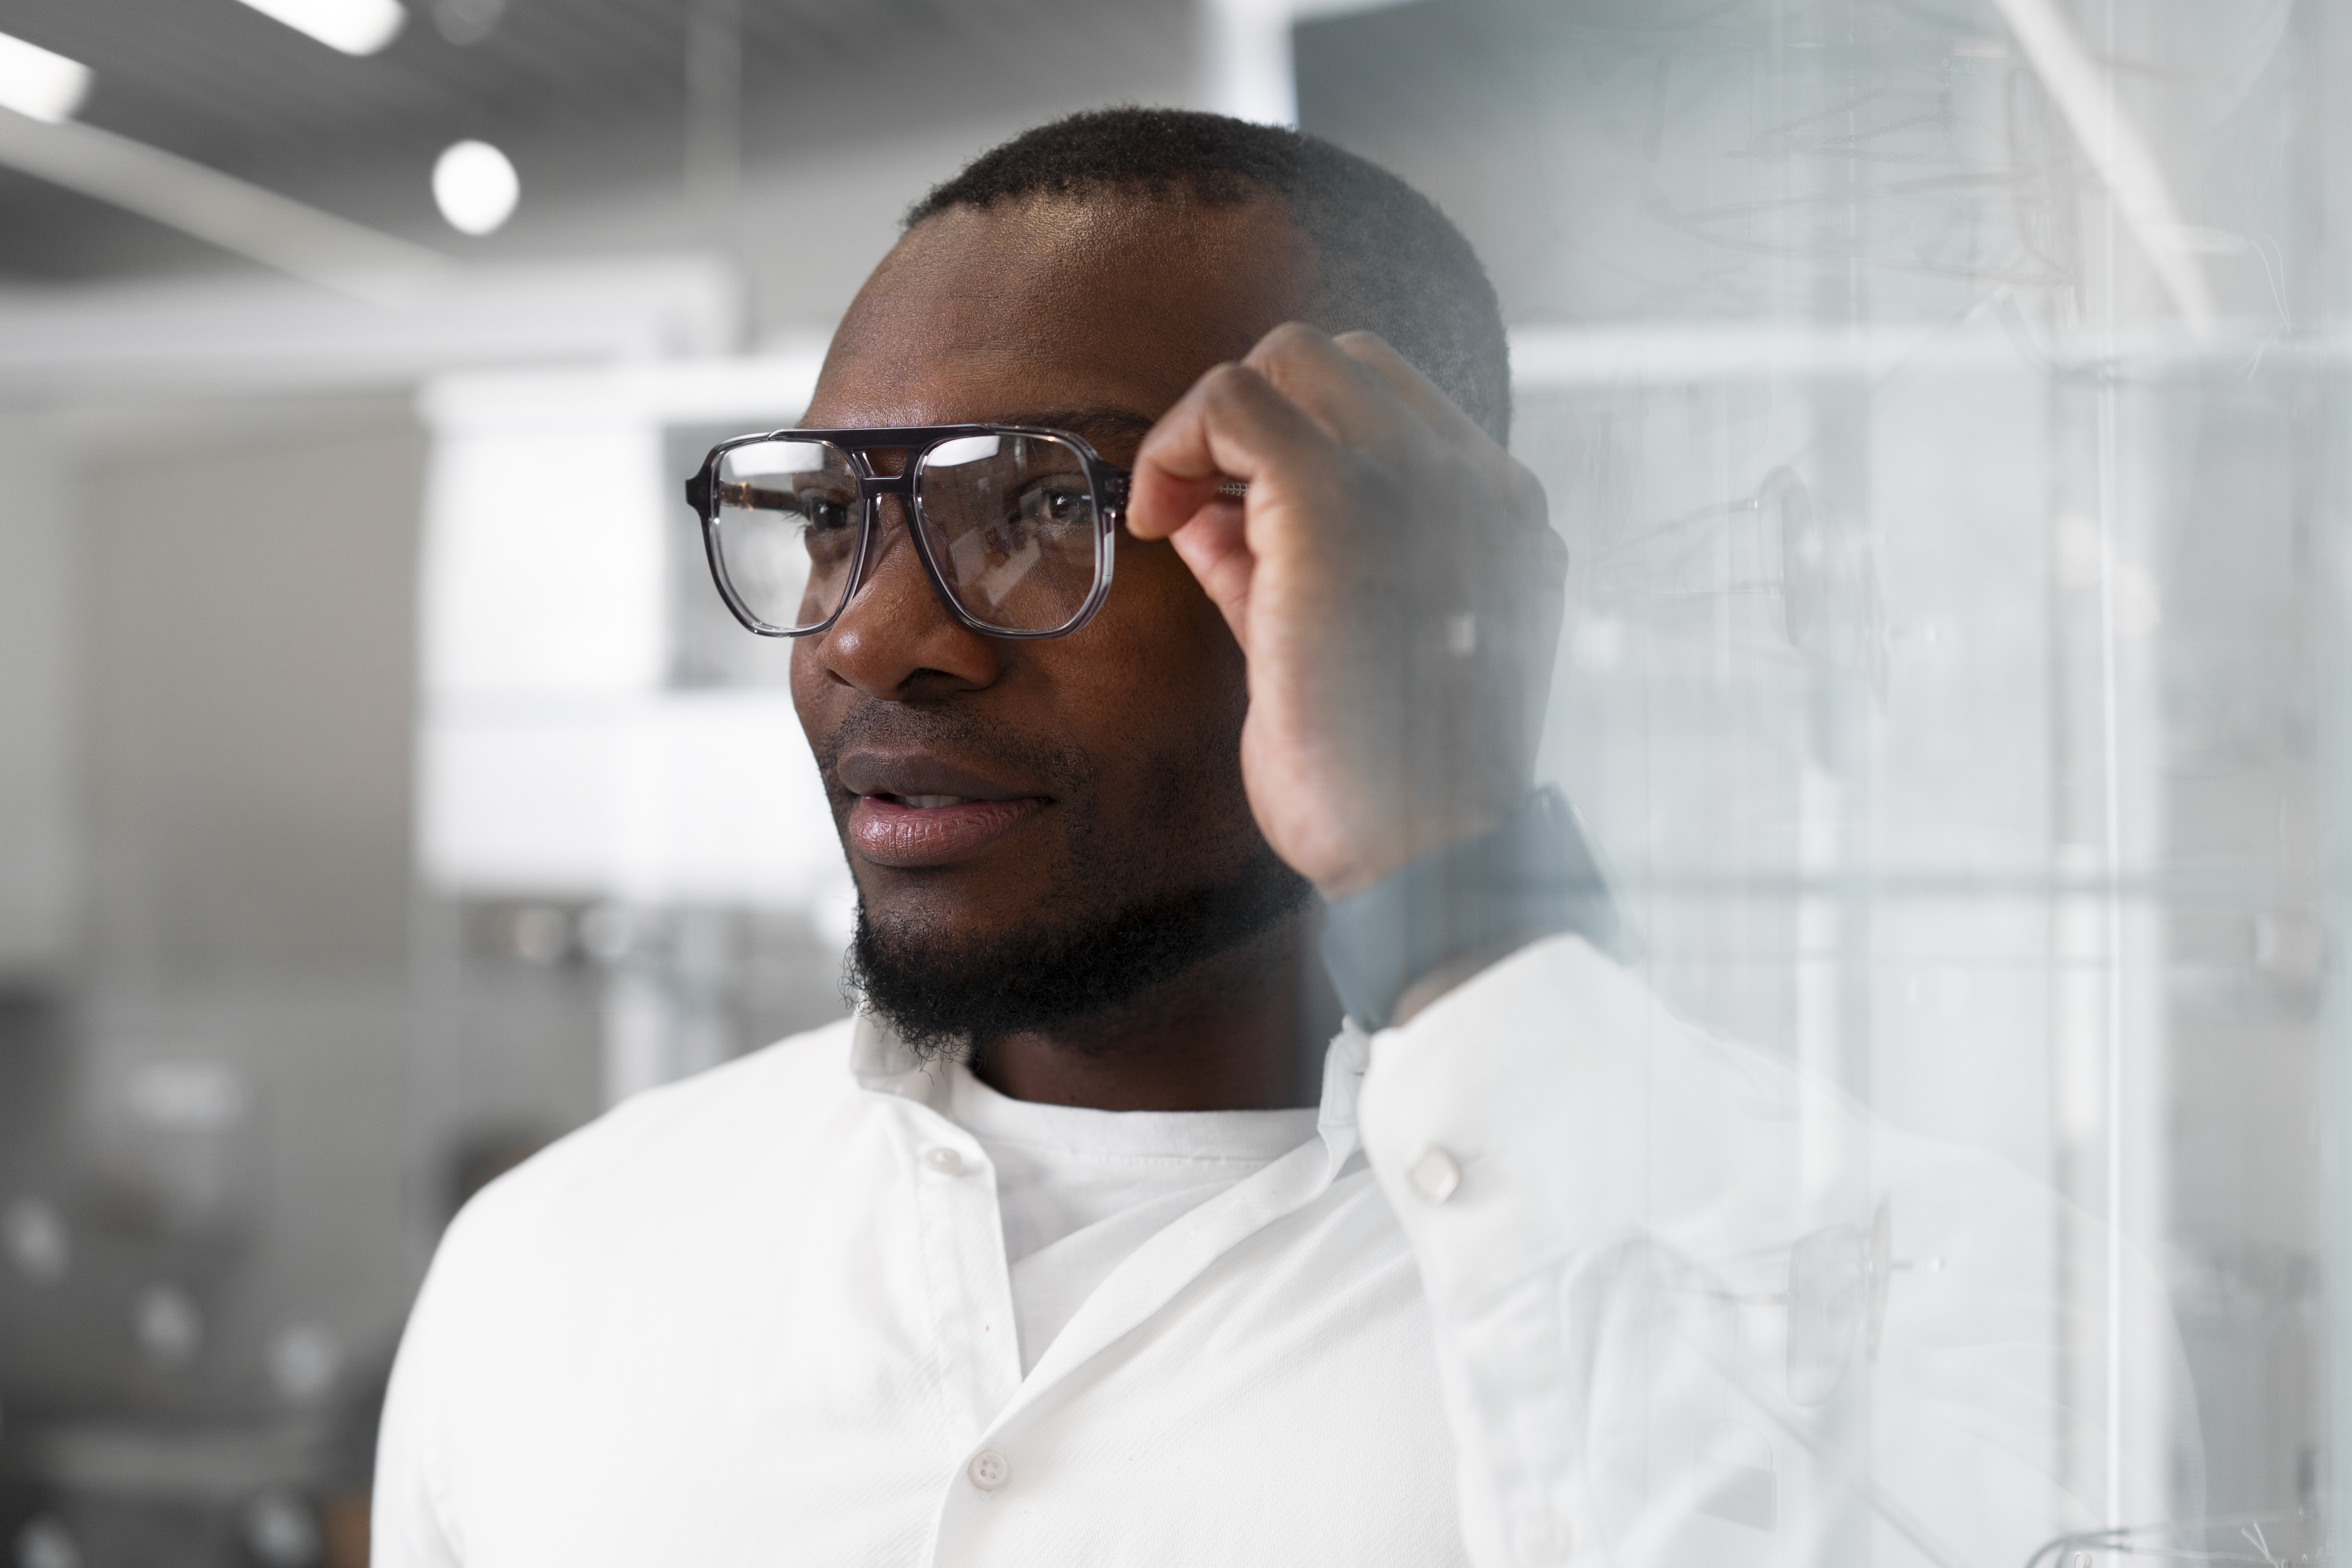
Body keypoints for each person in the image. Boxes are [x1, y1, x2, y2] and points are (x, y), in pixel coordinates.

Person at [373, 109, 2192, 1567]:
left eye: (1040, 508)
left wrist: (1453, 870)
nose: (869, 637)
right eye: (836, 516)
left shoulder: (1927, 1287)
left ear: (1441, 575)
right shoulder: (555, 1267)